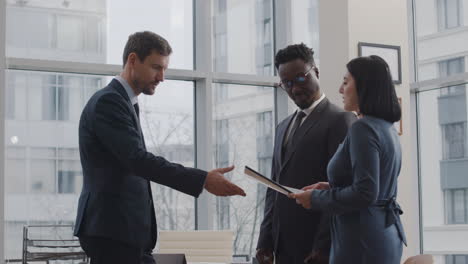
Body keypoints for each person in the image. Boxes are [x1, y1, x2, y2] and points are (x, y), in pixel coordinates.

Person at [74, 31, 246, 264]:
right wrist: (202, 179)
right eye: (156, 67)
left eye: (164, 69)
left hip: (118, 231)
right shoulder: (109, 102)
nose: (162, 77)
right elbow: (137, 160)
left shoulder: (124, 102)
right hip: (112, 230)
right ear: (133, 60)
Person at [290, 55, 407, 264]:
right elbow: (371, 186)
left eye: (345, 82)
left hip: (362, 240)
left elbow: (365, 193)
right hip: (384, 233)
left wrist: (315, 199)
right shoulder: (386, 127)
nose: (340, 90)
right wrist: (330, 187)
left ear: (364, 86)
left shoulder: (363, 128)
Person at [256, 43, 356, 264]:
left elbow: (339, 188)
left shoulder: (341, 120)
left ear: (316, 72)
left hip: (315, 247)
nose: (295, 88)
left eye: (301, 79)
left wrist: (323, 246)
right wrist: (265, 240)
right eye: (287, 83)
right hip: (282, 246)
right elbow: (274, 188)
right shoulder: (282, 127)